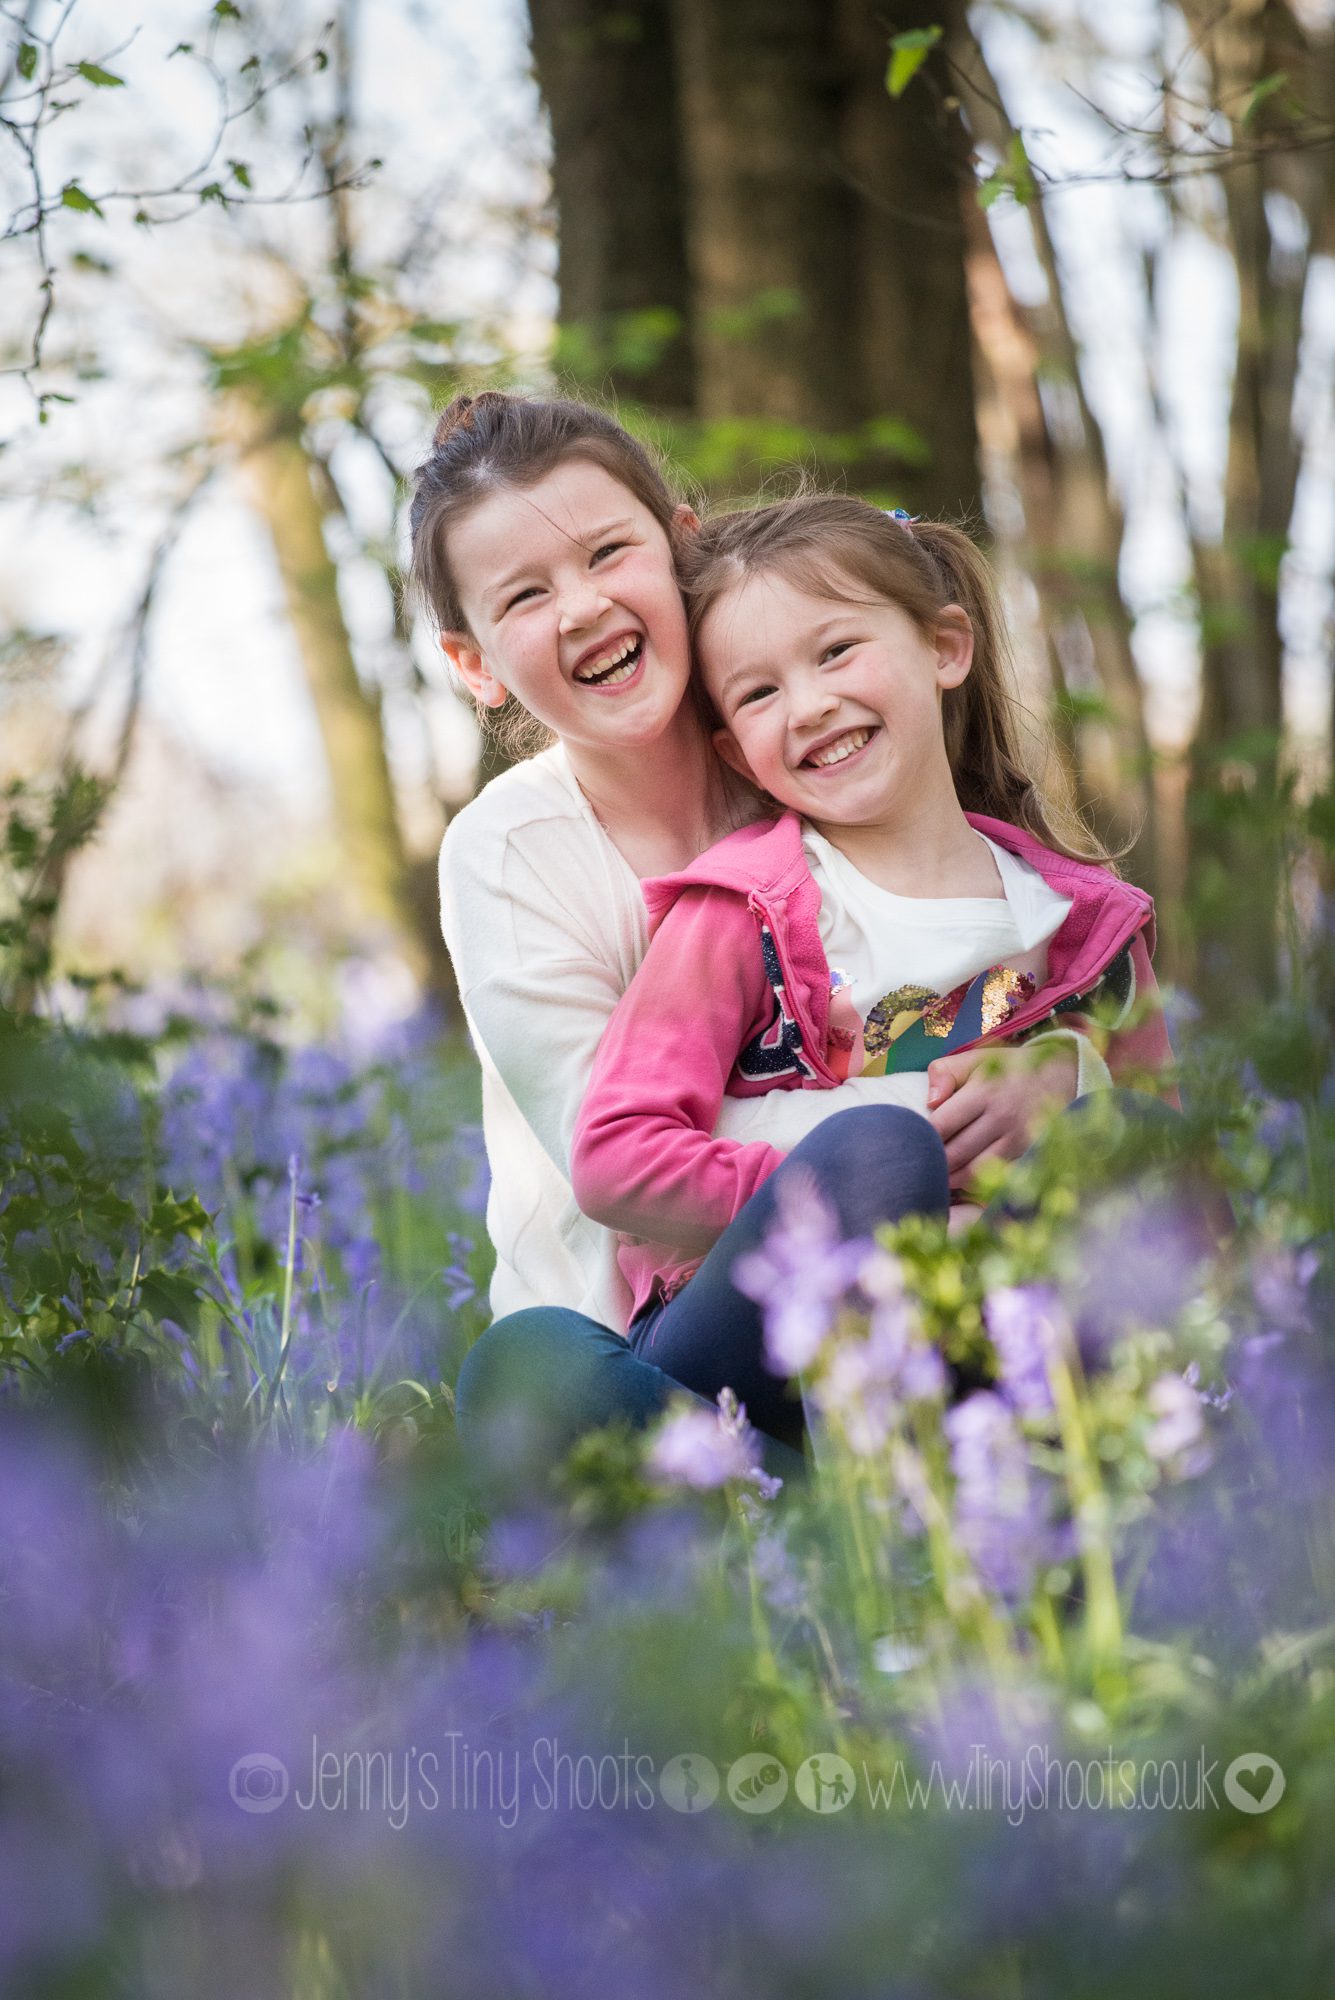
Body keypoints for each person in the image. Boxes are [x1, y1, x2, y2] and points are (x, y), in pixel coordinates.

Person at [410, 397, 1097, 1477]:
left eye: (605, 552)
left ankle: (814, 1512)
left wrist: (1063, 1070)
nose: (583, 604)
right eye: (526, 595)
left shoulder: (812, 744)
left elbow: (1007, 971)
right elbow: (623, 1153)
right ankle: (806, 1516)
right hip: (660, 1348)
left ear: (681, 545)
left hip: (916, 1301)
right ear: (475, 661)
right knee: (527, 1363)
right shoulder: (509, 848)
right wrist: (931, 1132)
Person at [570, 496, 1176, 1447]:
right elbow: (616, 1157)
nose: (807, 705)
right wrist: (878, 1198)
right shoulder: (742, 911)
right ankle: (831, 1510)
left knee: (1128, 1134)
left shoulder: (1085, 928)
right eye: (758, 693)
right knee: (878, 1153)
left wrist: (1074, 1080)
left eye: (836, 651)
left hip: (999, 1325)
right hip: (760, 1340)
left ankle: (1084, 1492)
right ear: (736, 751)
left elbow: (1175, 1170)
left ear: (944, 647)